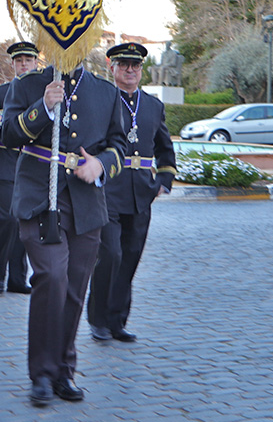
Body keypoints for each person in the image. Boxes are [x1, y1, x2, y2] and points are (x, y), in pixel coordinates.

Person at [1, 53, 127, 406]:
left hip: (86, 204)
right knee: (52, 277)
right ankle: (41, 373)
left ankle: (63, 370)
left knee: (74, 288)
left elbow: (119, 146)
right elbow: (8, 134)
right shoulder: (27, 84)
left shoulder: (104, 92)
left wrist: (100, 165)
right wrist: (42, 105)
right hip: (39, 197)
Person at [87, 43, 176, 343]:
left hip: (141, 193)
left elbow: (165, 147)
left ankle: (117, 321)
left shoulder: (152, 105)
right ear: (111, 68)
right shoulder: (100, 101)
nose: (130, 70)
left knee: (130, 259)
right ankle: (98, 319)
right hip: (108, 190)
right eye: (124, 65)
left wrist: (164, 179)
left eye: (135, 66)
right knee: (110, 255)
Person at [0, 41, 38, 295]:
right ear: (13, 64)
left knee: (24, 221)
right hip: (5, 164)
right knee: (7, 219)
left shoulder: (44, 92)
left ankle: (18, 278)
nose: (24, 64)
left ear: (36, 62)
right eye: (19, 60)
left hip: (31, 165)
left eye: (28, 60)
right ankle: (0, 273)